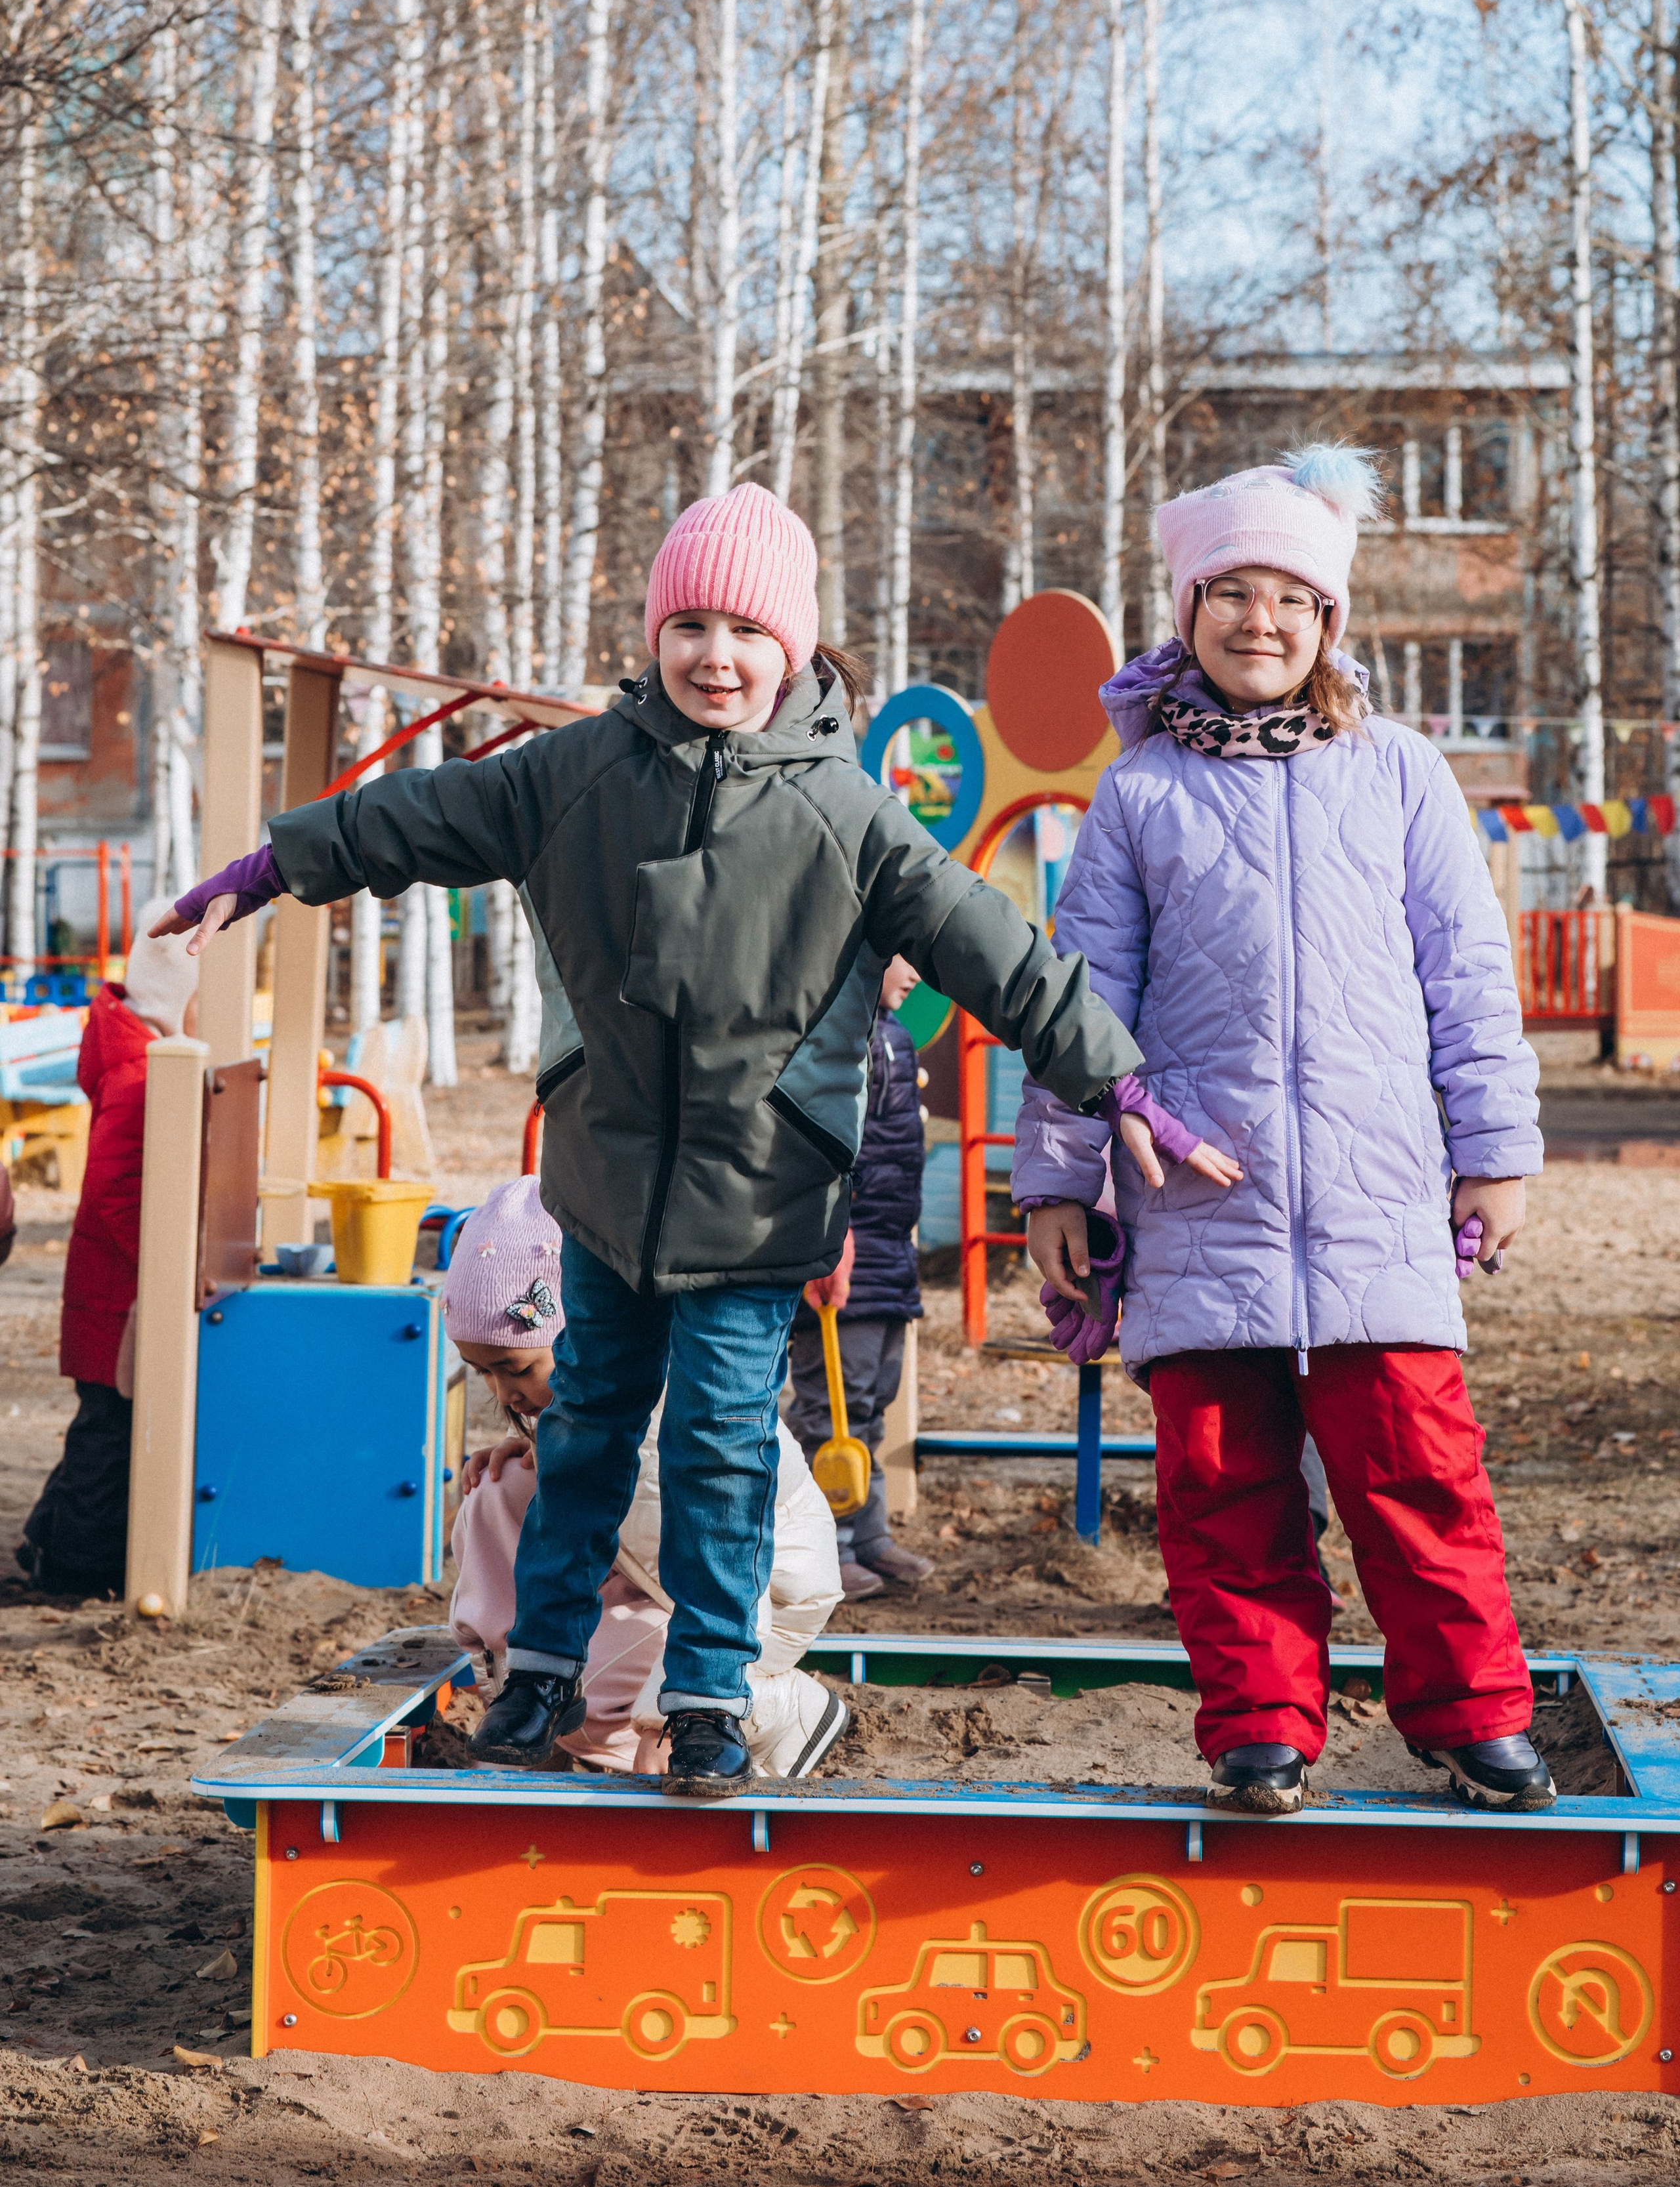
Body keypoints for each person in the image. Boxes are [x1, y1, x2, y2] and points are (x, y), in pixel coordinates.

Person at [152, 482, 1148, 1799]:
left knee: (721, 1451)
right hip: (607, 1189)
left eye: (744, 631)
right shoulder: (576, 774)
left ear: (789, 647)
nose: (714, 656)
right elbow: (417, 815)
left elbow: (995, 951)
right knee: (584, 1437)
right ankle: (541, 1677)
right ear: (653, 635)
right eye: (688, 626)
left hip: (756, 1205)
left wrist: (1117, 1083)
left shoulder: (847, 814)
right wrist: (276, 866)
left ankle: (711, 1699)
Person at [1013, 444, 1549, 1819]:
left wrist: (1493, 1150)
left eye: (1291, 600)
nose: (1261, 621)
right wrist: (1060, 1180)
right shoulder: (1140, 794)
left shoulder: (1399, 772)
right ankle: (1259, 1725)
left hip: (1377, 1196)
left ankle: (1471, 1716)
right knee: (1220, 1485)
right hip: (1200, 1197)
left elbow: (1468, 974)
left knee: (1418, 1471)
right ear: (1186, 612)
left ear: (1327, 621)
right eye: (1232, 594)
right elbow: (1082, 1001)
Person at [444, 1178, 847, 1778]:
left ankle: (781, 1708)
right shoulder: (576, 1417)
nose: (504, 1393)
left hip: (761, 1592)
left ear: (581, 1341)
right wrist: (536, 1445)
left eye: (517, 1368)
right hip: (656, 1576)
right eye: (484, 1373)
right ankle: (526, 1687)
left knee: (633, 1735)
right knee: (499, 1490)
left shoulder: (665, 1441)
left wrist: (682, 1708)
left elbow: (724, 1570)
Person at [18, 902, 198, 1598]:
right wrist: (171, 1256)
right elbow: (114, 1191)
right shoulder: (142, 1078)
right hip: (118, 1297)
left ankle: (45, 1538)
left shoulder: (137, 1064)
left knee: (103, 1428)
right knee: (108, 1434)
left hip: (114, 1290)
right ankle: (73, 1570)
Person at [788, 954, 929, 1600]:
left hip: (889, 1249)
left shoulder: (892, 1032)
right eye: (904, 955)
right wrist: (827, 1232)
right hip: (845, 1253)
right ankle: (825, 1545)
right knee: (832, 1407)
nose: (917, 974)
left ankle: (867, 1533)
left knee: (871, 1402)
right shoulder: (834, 1031)